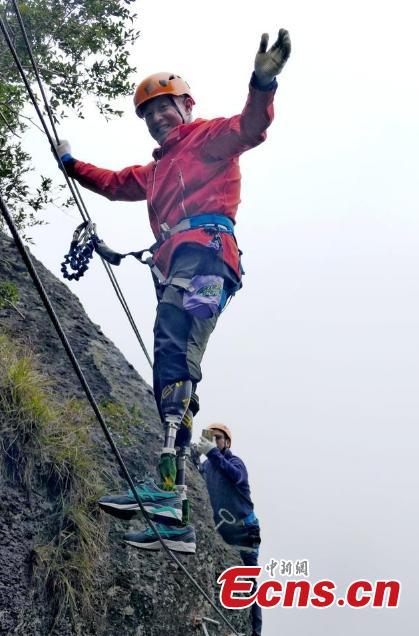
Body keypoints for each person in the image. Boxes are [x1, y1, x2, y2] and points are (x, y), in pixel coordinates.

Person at [54, 29, 291, 554]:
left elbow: (252, 128)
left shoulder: (209, 137)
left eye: (166, 107)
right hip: (181, 263)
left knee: (174, 353)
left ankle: (167, 498)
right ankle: (173, 508)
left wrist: (263, 81)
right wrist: (70, 164)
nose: (159, 117)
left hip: (206, 256)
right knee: (172, 367)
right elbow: (115, 182)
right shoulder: (158, 168)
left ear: (186, 106)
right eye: (150, 113)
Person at [194, 424, 262, 636]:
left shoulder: (234, 462)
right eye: (210, 438)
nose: (214, 441)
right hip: (225, 530)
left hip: (245, 529)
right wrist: (195, 457)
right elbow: (197, 477)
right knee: (225, 577)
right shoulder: (208, 467)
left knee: (249, 581)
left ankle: (255, 633)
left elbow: (236, 477)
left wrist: (211, 453)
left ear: (227, 442)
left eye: (219, 438)